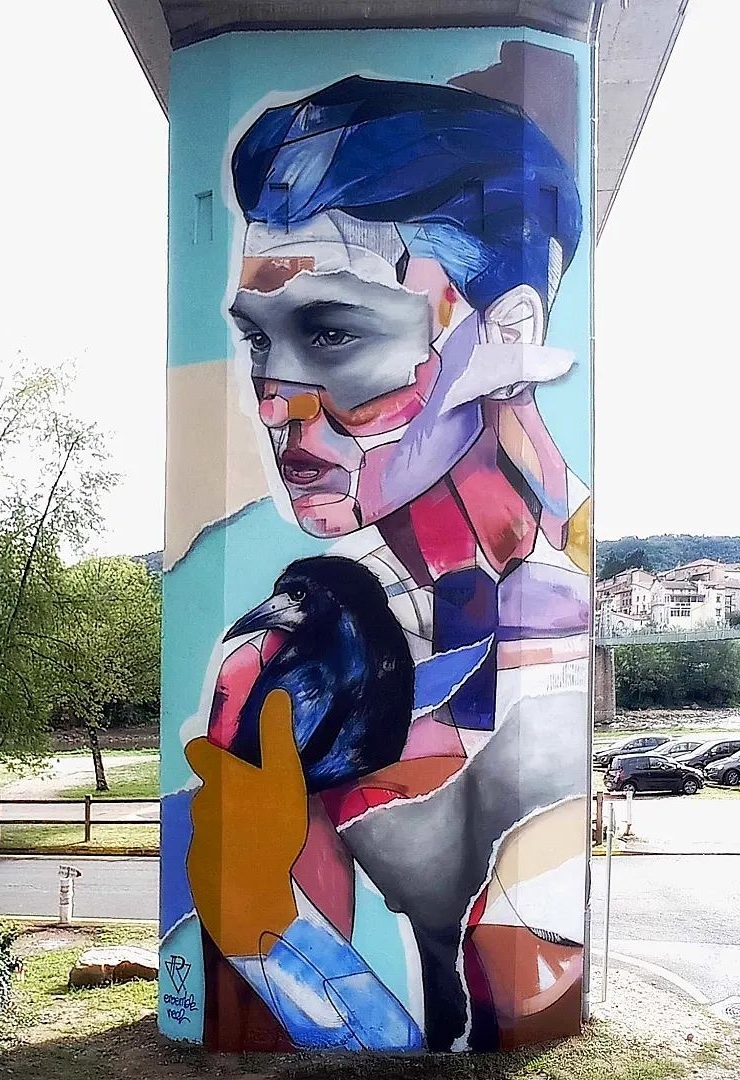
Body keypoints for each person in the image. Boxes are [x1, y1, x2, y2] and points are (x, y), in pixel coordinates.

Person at [164, 75, 591, 1052]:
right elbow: (272, 1038)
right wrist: (266, 926)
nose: (277, 405)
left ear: (507, 334)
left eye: (333, 332)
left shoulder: (557, 620)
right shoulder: (297, 658)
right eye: (258, 338)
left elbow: (526, 1011)